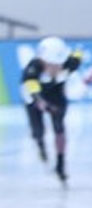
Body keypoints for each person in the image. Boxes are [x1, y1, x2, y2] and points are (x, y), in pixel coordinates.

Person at [22, 36, 83, 184]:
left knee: (59, 129)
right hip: (35, 97)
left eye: (58, 64)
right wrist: (42, 104)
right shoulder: (33, 68)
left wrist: (75, 56)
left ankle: (60, 164)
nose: (55, 68)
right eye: (51, 64)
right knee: (38, 131)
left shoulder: (70, 62)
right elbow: (33, 93)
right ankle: (40, 144)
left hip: (56, 95)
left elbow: (78, 54)